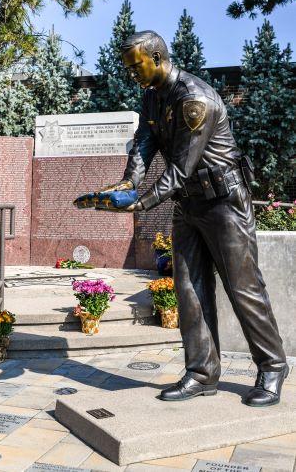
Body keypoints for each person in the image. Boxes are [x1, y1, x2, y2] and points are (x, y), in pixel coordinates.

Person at [77, 30, 288, 406]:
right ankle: (202, 372)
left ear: (157, 57)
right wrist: (126, 184)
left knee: (243, 288)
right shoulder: (152, 98)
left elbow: (181, 168)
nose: (131, 73)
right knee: (188, 290)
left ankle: (272, 366)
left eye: (136, 66)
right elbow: (143, 145)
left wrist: (140, 204)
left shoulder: (195, 99)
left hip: (224, 203)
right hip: (187, 204)